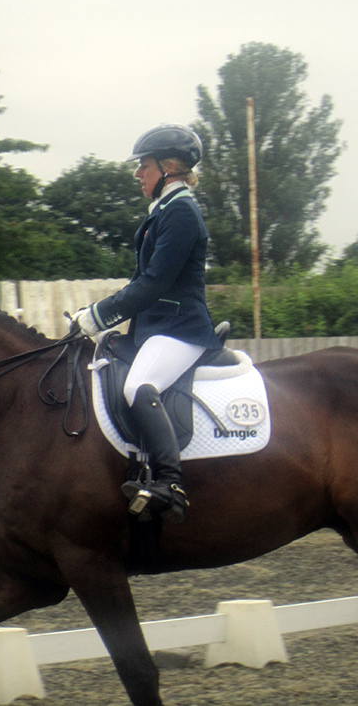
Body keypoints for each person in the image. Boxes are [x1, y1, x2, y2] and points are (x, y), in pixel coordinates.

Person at [71, 123, 222, 522]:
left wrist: (97, 316)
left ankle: (170, 483)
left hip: (182, 329)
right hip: (156, 329)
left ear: (169, 167)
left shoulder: (182, 212)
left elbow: (154, 284)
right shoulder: (164, 212)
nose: (138, 174)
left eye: (144, 166)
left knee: (140, 385)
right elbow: (143, 283)